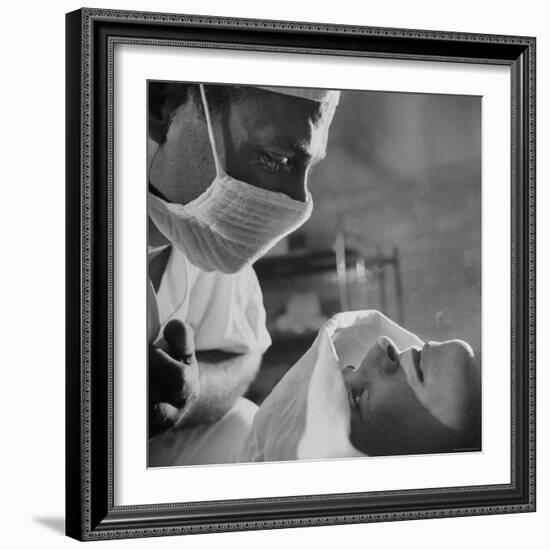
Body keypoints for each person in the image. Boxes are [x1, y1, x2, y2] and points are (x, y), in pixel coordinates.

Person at [147, 82, 340, 464]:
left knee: (242, 426)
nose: (299, 203)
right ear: (164, 107)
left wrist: (191, 395)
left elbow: (244, 352)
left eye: (306, 167)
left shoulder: (202, 226)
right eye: (273, 159)